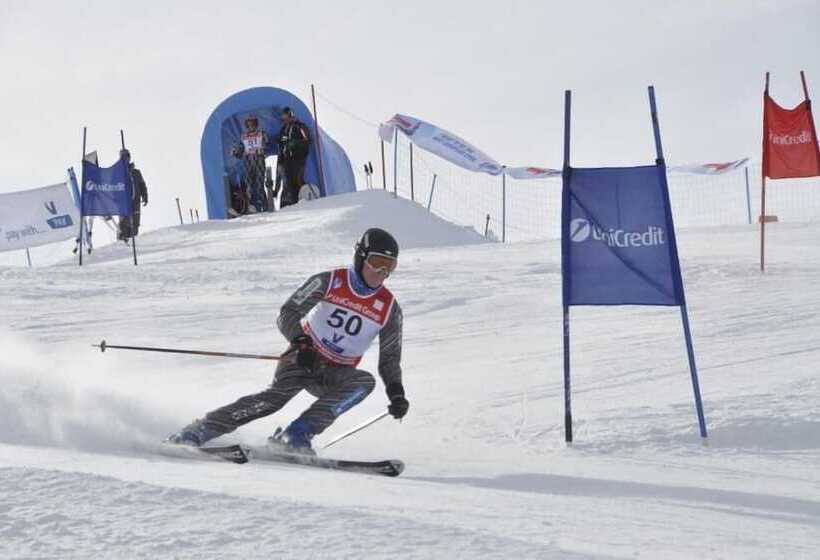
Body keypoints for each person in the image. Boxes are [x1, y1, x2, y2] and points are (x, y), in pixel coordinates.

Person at [167, 228, 409, 454]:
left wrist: (396, 393)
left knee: (363, 382)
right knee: (273, 400)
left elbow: (389, 359)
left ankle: (295, 435)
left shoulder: (389, 309)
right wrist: (301, 343)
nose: (382, 273)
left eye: (390, 267)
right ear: (361, 257)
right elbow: (288, 313)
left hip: (335, 373)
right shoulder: (330, 281)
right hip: (303, 359)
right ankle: (196, 432)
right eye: (377, 263)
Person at [231, 114, 269, 213]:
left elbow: (267, 145)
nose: (250, 126)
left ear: (256, 124)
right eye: (249, 124)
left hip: (258, 161)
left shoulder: (261, 133)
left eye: (252, 124)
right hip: (248, 162)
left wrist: (263, 148)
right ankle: (252, 206)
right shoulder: (244, 136)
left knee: (259, 185)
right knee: (249, 185)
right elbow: (240, 150)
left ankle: (264, 206)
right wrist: (236, 152)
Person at [276, 106, 312, 208]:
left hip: (298, 159)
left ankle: (302, 201)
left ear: (291, 115)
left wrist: (295, 143)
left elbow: (307, 140)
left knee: (297, 180)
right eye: (283, 117)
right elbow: (280, 142)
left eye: (286, 116)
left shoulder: (299, 126)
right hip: (287, 160)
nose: (284, 119)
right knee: (288, 182)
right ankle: (289, 204)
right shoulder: (284, 129)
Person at [117, 149, 148, 242]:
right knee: (124, 224)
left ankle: (134, 241)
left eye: (126, 156)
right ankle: (122, 241)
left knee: (135, 224)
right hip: (123, 203)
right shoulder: (118, 173)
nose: (125, 159)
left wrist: (145, 196)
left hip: (135, 201)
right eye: (123, 157)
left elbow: (142, 185)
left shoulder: (136, 172)